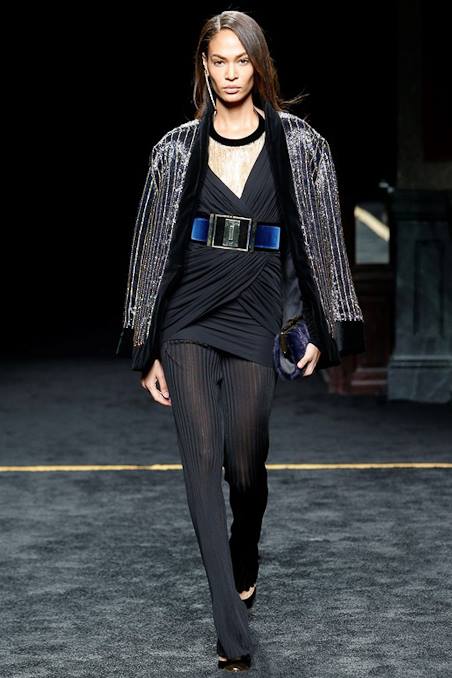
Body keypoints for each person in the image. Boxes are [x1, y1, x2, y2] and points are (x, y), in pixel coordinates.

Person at [117, 10, 365, 673]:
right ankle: (233, 634)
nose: (230, 73)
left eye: (242, 60)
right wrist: (148, 346)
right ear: (204, 66)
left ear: (259, 65)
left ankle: (245, 550)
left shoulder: (302, 145)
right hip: (189, 315)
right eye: (219, 61)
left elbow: (320, 240)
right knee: (200, 461)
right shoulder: (174, 150)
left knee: (245, 462)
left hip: (256, 312)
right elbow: (152, 251)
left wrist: (315, 326)